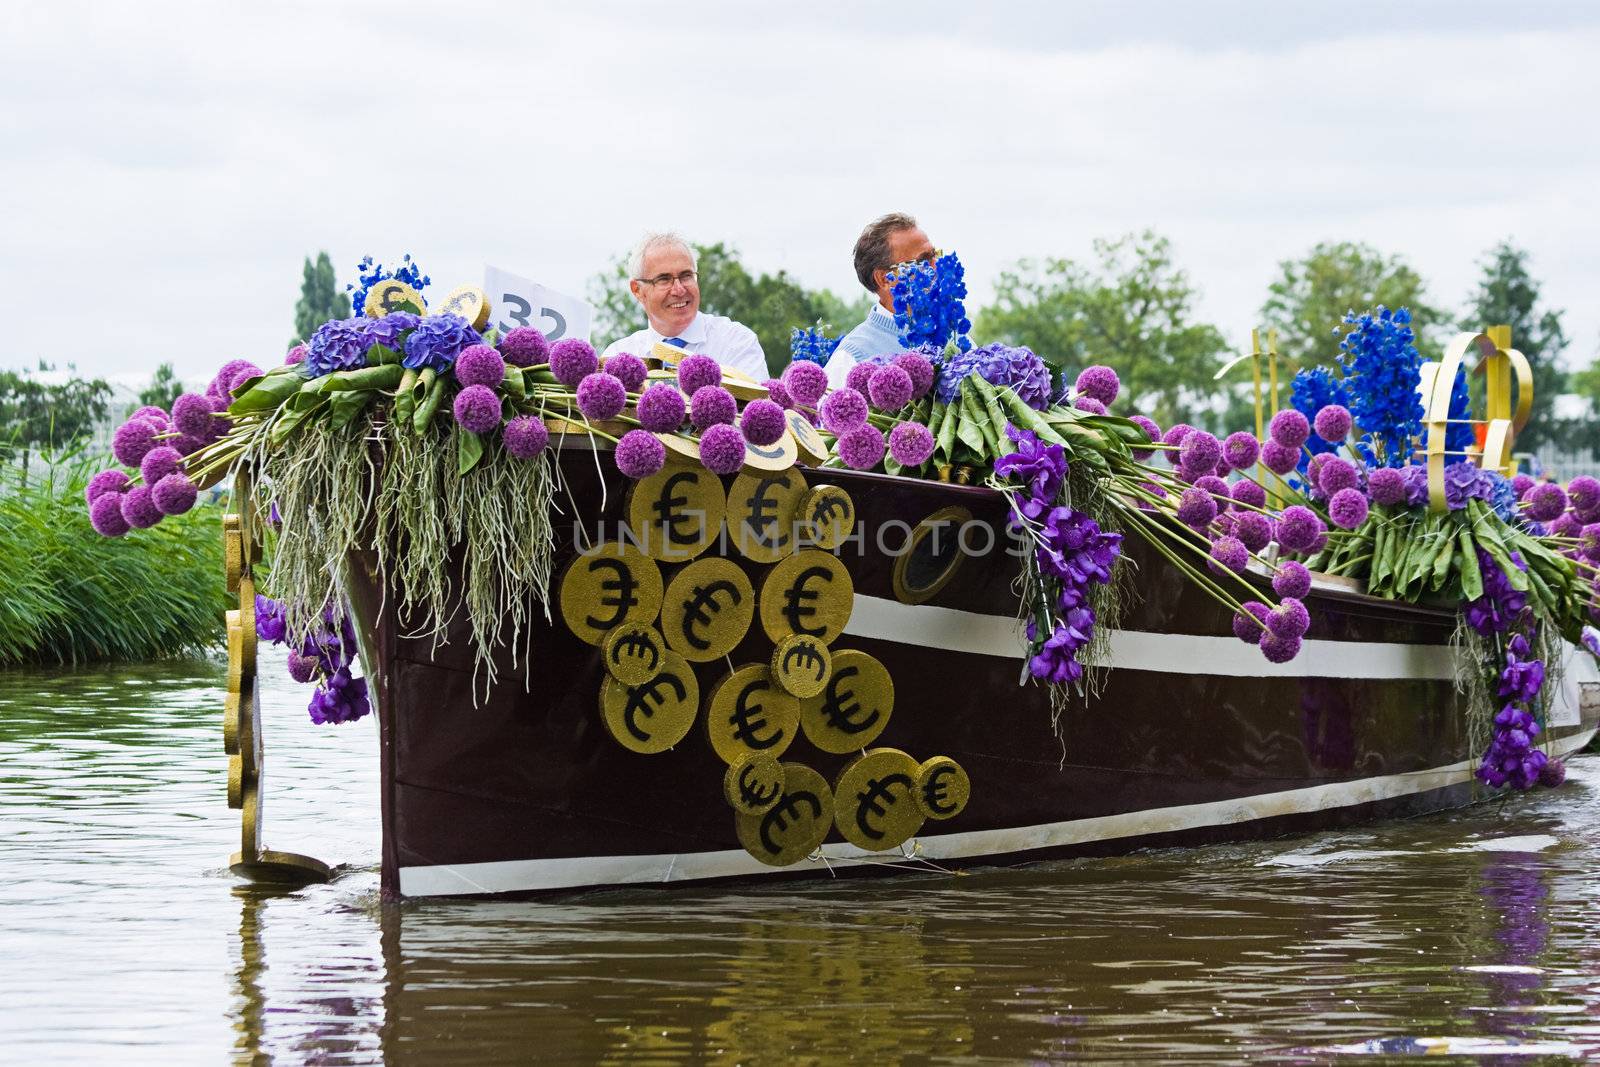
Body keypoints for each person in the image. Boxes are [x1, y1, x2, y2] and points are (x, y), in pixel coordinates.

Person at [601, 232, 767, 382]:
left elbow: (753, 413)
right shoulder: (617, 357)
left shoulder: (736, 342)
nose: (679, 289)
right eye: (664, 279)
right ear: (637, 290)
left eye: (686, 276)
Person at [824, 212, 936, 388]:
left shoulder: (954, 335)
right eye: (924, 261)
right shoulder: (852, 359)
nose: (936, 266)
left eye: (935, 255)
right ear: (885, 279)